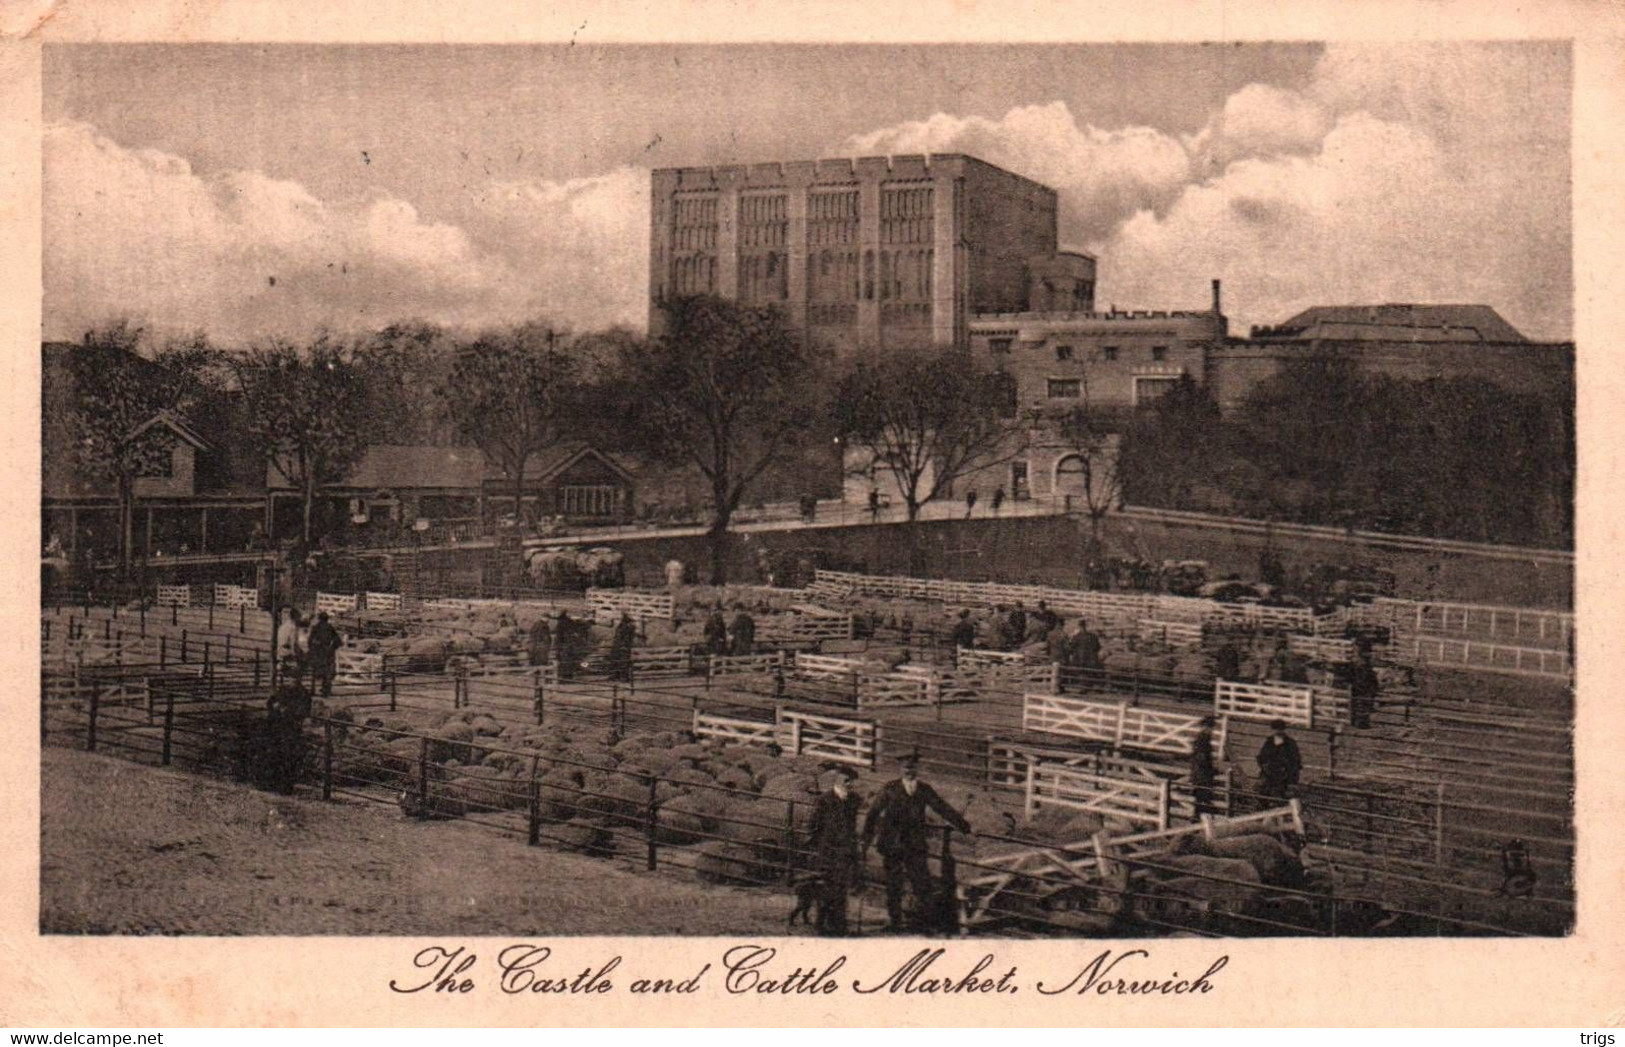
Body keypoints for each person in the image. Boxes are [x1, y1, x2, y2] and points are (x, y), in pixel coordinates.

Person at [862, 753, 971, 933]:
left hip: (915, 845)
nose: (909, 771)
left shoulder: (924, 789)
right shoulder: (889, 788)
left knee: (922, 884)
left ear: (917, 769)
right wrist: (866, 840)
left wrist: (964, 826)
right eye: (905, 767)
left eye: (912, 767)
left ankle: (922, 923)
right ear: (900, 769)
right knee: (893, 884)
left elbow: (941, 807)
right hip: (893, 844)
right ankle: (895, 922)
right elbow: (873, 813)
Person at [806, 763, 863, 936]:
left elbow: (853, 825)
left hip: (845, 852)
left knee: (841, 889)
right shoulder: (824, 800)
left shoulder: (854, 800)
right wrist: (821, 846)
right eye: (846, 780)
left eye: (851, 781)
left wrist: (854, 846)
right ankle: (822, 925)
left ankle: (839, 924)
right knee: (826, 889)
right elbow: (813, 825)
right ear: (837, 779)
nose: (849, 784)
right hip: (828, 851)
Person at [263, 674, 312, 795]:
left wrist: (288, 710)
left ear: (299, 679)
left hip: (291, 729)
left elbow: (303, 711)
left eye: (293, 678)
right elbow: (270, 702)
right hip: (276, 727)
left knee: (288, 757)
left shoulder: (303, 693)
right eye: (288, 678)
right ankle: (271, 783)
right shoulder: (282, 690)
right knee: (273, 754)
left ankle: (285, 786)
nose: (290, 681)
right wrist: (274, 706)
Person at [1256, 719, 1302, 801]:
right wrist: (1265, 767)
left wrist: (1290, 777)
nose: (1277, 731)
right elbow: (1262, 757)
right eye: (1275, 729)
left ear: (1283, 730)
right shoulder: (1269, 742)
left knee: (1281, 795)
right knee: (1263, 793)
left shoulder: (1290, 744)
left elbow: (1295, 761)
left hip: (1284, 775)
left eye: (1280, 729)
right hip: (1269, 773)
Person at [306, 611, 343, 698]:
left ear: (319, 619)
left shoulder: (315, 628)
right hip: (327, 653)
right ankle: (326, 690)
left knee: (315, 672)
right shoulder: (330, 628)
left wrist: (313, 648)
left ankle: (313, 689)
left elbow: (309, 642)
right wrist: (332, 647)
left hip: (317, 653)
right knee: (327, 672)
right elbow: (338, 641)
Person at [1190, 715, 1219, 815]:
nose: (1211, 731)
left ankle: (1198, 822)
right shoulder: (1203, 741)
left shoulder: (1202, 740)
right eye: (1210, 728)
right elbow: (1202, 760)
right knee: (1203, 802)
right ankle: (1199, 823)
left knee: (1201, 803)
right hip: (1202, 777)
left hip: (1200, 777)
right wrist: (1212, 770)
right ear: (1205, 727)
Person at [1349, 652, 1379, 729]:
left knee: (1358, 705)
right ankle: (1360, 722)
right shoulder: (1366, 669)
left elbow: (1374, 682)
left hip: (1360, 689)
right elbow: (1374, 682)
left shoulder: (1357, 667)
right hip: (1362, 690)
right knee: (1362, 706)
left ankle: (1357, 722)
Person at [609, 612, 637, 682]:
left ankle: (621, 676)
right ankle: (618, 675)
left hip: (621, 647)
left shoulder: (625, 628)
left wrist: (623, 645)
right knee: (619, 661)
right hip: (620, 646)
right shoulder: (625, 627)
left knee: (621, 662)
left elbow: (626, 638)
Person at [553, 610, 577, 680]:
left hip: (564, 645)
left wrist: (557, 646)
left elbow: (559, 636)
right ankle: (569, 676)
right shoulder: (571, 623)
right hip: (570, 645)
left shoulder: (561, 624)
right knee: (570, 661)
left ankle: (564, 676)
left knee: (563, 661)